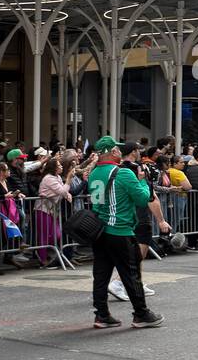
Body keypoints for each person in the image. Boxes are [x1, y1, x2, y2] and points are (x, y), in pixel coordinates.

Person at [88, 137, 163, 330]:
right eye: (117, 149)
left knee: (101, 275)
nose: (120, 152)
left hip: (99, 230)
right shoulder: (123, 173)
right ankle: (141, 314)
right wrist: (143, 182)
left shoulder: (94, 173)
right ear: (112, 152)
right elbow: (142, 199)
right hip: (120, 230)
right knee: (132, 273)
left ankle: (101, 314)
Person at [107, 143, 170, 301]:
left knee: (134, 252)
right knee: (139, 252)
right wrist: (161, 220)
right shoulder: (137, 169)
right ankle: (118, 282)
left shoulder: (116, 168)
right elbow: (150, 196)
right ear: (134, 152)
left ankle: (136, 283)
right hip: (138, 214)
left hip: (124, 214)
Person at [34, 157, 73, 265]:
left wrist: (68, 194)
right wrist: (69, 179)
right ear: (53, 168)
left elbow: (63, 190)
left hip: (53, 210)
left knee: (57, 234)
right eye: (59, 165)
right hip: (43, 209)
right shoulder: (48, 178)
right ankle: (42, 258)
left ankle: (49, 253)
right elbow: (61, 191)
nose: (61, 166)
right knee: (44, 235)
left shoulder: (58, 177)